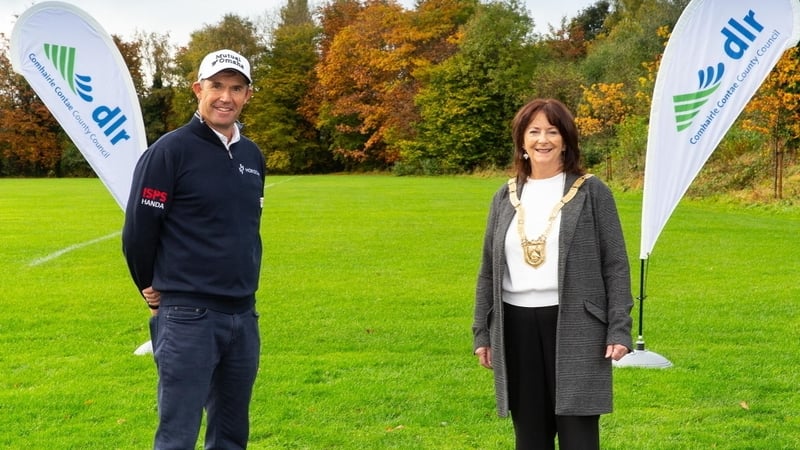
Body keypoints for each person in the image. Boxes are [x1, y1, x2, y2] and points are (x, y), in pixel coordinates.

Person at [122, 49, 265, 449]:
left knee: (232, 435)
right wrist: (148, 286)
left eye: (236, 88)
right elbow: (138, 231)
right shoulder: (170, 151)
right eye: (216, 86)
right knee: (177, 436)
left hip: (242, 314)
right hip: (188, 316)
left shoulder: (252, 156)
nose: (226, 97)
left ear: (248, 95)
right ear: (198, 89)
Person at [471, 98, 633, 450]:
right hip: (515, 327)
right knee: (530, 438)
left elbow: (616, 264)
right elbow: (488, 270)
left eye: (552, 131)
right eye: (534, 131)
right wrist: (482, 332)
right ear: (522, 141)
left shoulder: (592, 192)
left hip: (577, 325)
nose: (543, 139)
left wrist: (619, 327)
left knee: (578, 438)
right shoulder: (505, 196)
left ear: (566, 140)